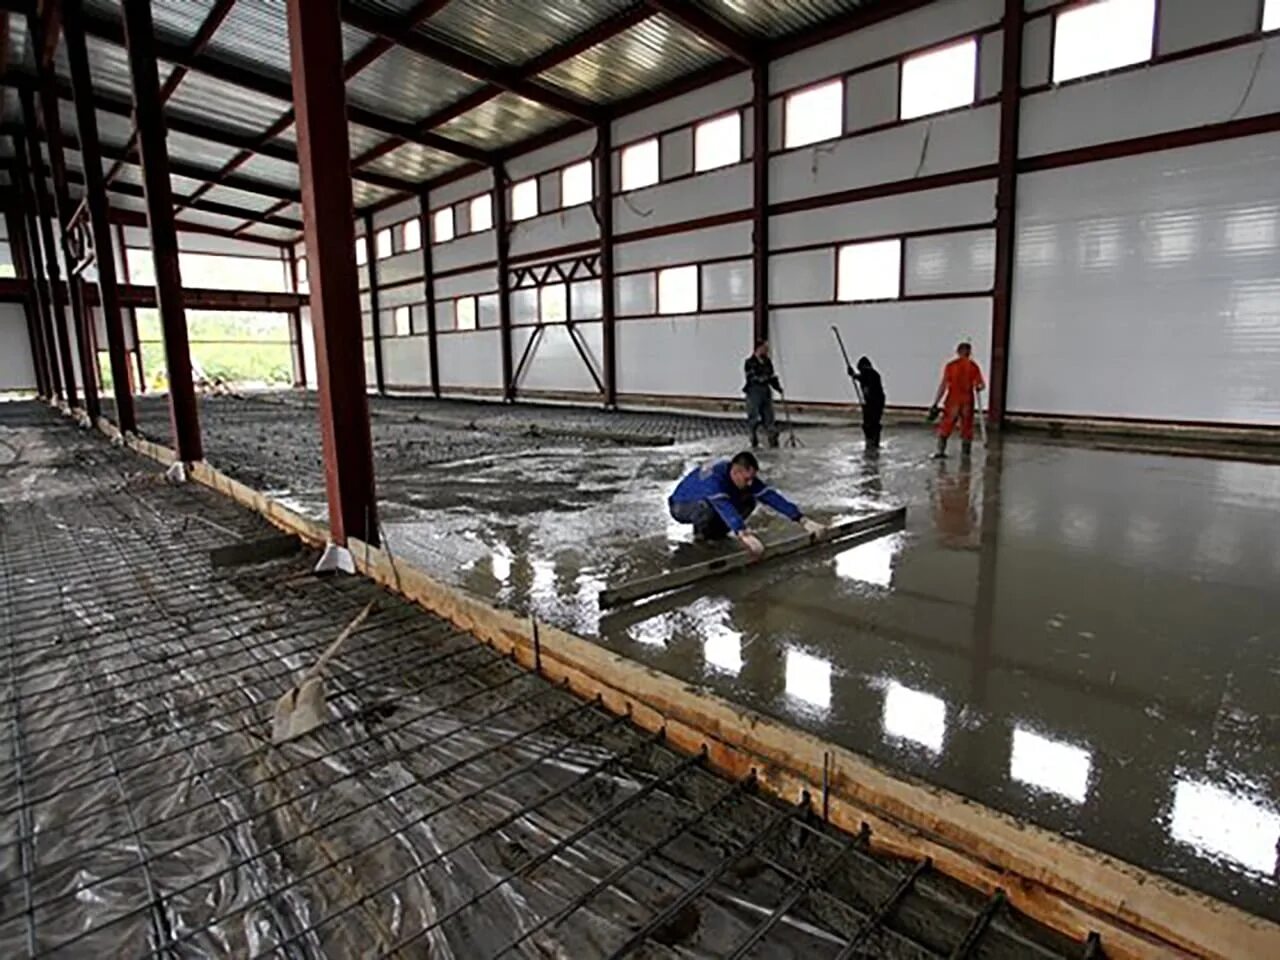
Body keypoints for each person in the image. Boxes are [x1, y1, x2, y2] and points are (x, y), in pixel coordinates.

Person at [669, 451, 824, 557]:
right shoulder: (714, 478)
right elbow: (723, 505)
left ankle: (716, 534)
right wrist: (743, 533)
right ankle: (701, 538)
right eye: (746, 479)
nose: (750, 483)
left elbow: (770, 496)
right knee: (707, 506)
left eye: (752, 479)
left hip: (708, 503)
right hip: (682, 505)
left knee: (749, 499)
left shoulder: (744, 478)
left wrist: (802, 519)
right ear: (736, 472)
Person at [927, 341, 985, 458]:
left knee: (946, 424)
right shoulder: (973, 366)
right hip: (967, 401)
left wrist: (936, 402)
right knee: (966, 426)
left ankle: (941, 451)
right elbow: (981, 385)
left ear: (958, 352)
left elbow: (943, 385)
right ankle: (965, 453)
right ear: (969, 352)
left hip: (953, 400)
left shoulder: (951, 366)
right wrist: (978, 387)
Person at [743, 340, 782, 449]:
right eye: (765, 348)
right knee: (753, 416)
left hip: (766, 392)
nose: (767, 350)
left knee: (769, 416)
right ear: (758, 348)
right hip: (754, 392)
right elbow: (752, 377)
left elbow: (771, 376)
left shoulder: (767, 362)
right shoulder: (750, 362)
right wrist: (763, 378)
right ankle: (753, 438)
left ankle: (773, 439)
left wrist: (777, 387)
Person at [847, 355, 885, 449]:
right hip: (868, 403)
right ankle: (870, 441)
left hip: (876, 403)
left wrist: (853, 375)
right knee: (867, 424)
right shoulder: (866, 374)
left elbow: (864, 378)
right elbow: (861, 378)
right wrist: (853, 375)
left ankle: (873, 442)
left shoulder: (872, 374)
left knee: (873, 423)